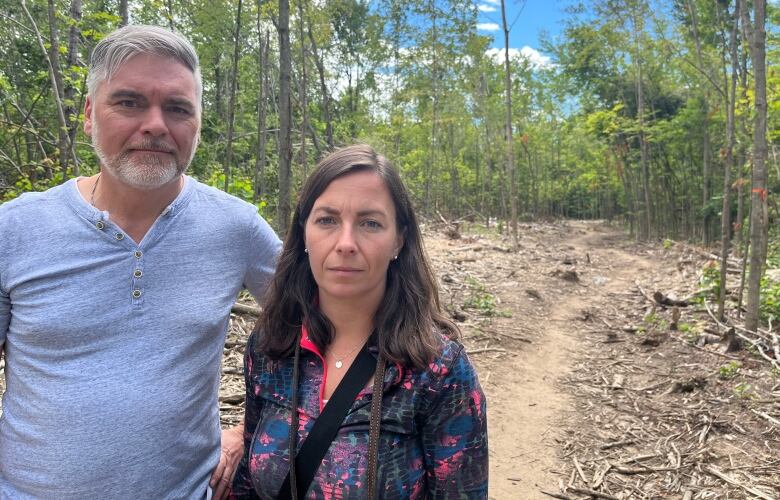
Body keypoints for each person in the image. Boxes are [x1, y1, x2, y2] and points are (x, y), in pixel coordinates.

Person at [0, 25, 281, 499]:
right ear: (89, 114)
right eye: (129, 102)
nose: (155, 124)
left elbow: (329, 326)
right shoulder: (15, 229)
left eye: (177, 108)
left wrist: (250, 430)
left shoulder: (237, 228)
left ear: (196, 123)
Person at [231, 145, 488, 499]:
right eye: (327, 220)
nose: (346, 243)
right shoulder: (269, 348)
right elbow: (248, 483)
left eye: (370, 223)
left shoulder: (438, 372)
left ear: (399, 239)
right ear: (304, 233)